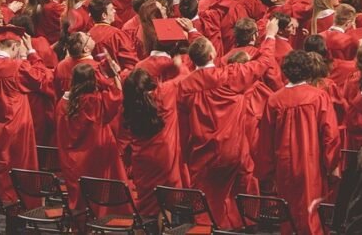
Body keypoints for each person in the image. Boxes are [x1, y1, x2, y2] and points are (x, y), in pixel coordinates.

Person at [175, 18, 279, 228]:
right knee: (242, 195)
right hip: (233, 149)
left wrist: (193, 31)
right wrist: (270, 36)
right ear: (213, 55)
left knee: (207, 203)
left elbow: (183, 124)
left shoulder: (185, 86)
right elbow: (264, 62)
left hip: (201, 151)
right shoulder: (229, 75)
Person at [256, 49, 340, 235]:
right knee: (311, 214)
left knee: (288, 216)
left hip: (283, 166)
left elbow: (265, 142)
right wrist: (332, 163)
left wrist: (267, 172)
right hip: (312, 166)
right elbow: (330, 135)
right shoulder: (318, 97)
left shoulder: (274, 100)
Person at [0, 28, 53, 206]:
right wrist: (31, 52)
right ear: (16, 46)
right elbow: (41, 78)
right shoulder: (17, 67)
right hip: (17, 123)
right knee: (19, 167)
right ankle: (16, 220)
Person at [55, 61, 126, 221]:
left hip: (71, 160)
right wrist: (109, 77)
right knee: (96, 196)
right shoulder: (96, 101)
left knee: (79, 200)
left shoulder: (63, 103)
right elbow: (118, 95)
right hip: (95, 157)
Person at [122, 67, 186, 220]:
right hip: (164, 157)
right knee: (166, 203)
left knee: (146, 203)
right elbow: (184, 77)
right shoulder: (163, 95)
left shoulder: (129, 103)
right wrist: (179, 64)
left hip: (141, 160)